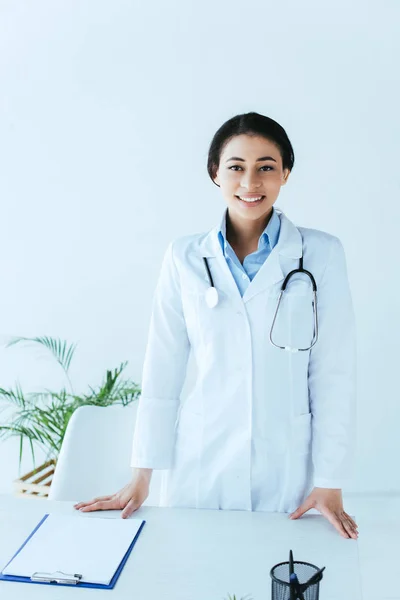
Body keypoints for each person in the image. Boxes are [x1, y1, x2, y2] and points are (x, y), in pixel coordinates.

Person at [74, 112, 358, 539]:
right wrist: (142, 474)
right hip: (201, 462)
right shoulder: (184, 257)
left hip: (287, 465)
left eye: (266, 167)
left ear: (285, 173)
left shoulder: (321, 254)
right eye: (236, 167)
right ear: (215, 174)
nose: (250, 182)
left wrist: (330, 480)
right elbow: (163, 367)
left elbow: (334, 372)